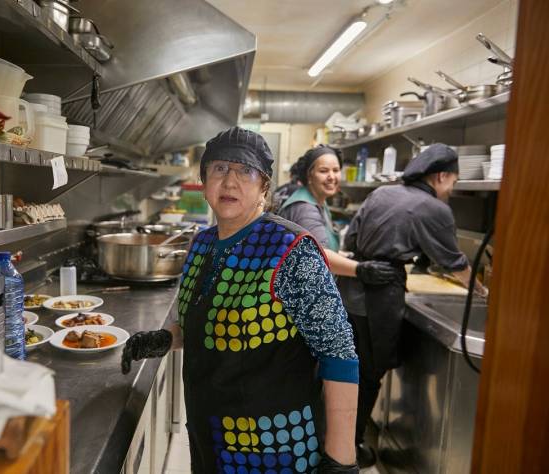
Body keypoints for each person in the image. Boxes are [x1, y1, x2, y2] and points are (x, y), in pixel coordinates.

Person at [122, 127, 360, 473]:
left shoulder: (292, 250)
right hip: (210, 438)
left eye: (246, 171)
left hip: (274, 448)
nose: (230, 182)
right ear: (204, 180)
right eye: (219, 169)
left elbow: (339, 355)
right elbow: (213, 324)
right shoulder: (201, 245)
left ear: (264, 186)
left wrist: (341, 460)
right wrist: (167, 338)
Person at [337, 143, 487, 467]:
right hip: (378, 299)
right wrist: (482, 289)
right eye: (453, 183)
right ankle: (350, 449)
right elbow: (453, 261)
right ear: (441, 176)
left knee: (346, 370)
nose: (452, 190)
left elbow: (350, 240)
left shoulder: (382, 193)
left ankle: (336, 441)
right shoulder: (435, 209)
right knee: (370, 374)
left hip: (349, 290)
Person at [279, 146, 396, 285]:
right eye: (324, 171)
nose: (332, 177)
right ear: (309, 176)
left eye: (336, 170)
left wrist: (349, 257)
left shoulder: (319, 201)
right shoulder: (305, 208)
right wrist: (359, 269)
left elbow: (322, 246)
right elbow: (318, 255)